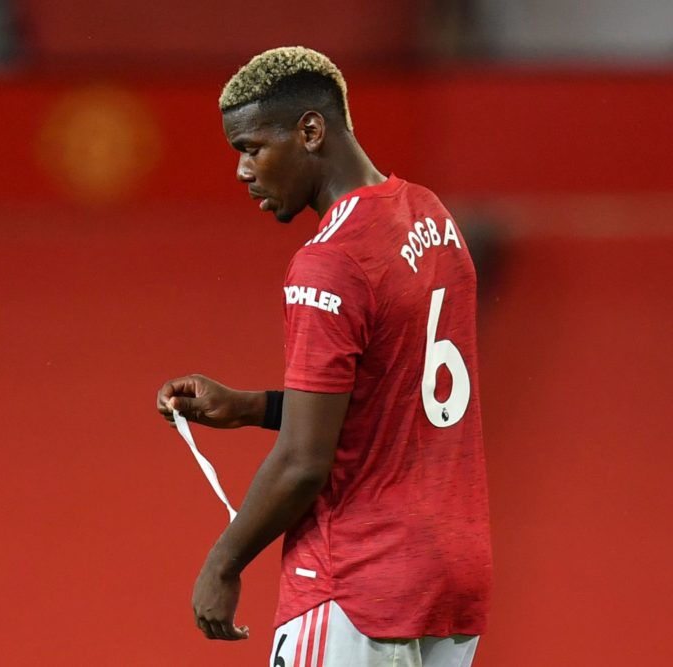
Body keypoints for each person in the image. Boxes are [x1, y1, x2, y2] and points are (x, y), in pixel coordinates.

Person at [155, 46, 491, 667]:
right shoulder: (431, 216)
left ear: (311, 130)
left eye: (251, 147)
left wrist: (223, 564)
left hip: (355, 583)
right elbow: (392, 399)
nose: (242, 171)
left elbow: (305, 463)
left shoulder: (328, 260)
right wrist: (251, 407)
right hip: (451, 574)